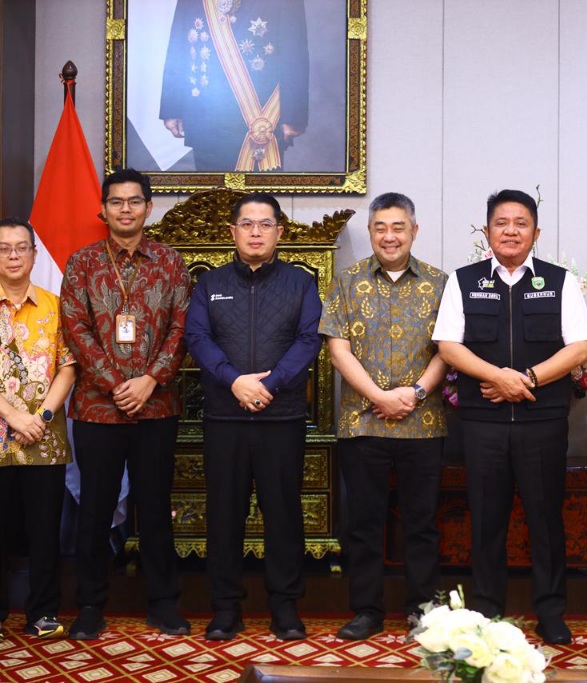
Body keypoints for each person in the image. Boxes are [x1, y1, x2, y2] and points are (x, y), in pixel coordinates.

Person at [432, 189, 587, 645]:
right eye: (501, 222)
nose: (510, 230)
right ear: (487, 232)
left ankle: (551, 611)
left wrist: (527, 378)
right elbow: (448, 345)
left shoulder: (558, 282)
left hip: (542, 423)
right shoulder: (462, 281)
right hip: (481, 424)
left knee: (546, 520)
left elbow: (580, 346)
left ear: (536, 233)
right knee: (485, 520)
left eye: (520, 223)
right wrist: (496, 378)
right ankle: (486, 611)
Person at [60, 168, 192, 640]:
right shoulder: (82, 263)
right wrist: (119, 383)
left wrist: (149, 381)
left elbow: (182, 329)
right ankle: (91, 605)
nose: (125, 210)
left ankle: (163, 603)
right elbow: (75, 329)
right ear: (104, 209)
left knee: (156, 506)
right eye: (116, 202)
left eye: (134, 201)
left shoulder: (172, 263)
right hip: (97, 408)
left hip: (157, 407)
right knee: (93, 509)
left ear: (148, 207)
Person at [185, 192, 322, 641]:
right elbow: (198, 338)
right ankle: (225, 609)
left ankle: (284, 607)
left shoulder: (301, 283)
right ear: (233, 232)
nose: (257, 232)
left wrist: (269, 384)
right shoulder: (210, 284)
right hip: (225, 418)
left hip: (280, 417)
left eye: (266, 224)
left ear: (280, 231)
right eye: (247, 224)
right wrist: (234, 382)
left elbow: (308, 341)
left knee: (283, 513)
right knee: (223, 514)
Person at [319, 192, 448, 640]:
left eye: (398, 227)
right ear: (371, 232)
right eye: (380, 228)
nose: (389, 236)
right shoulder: (346, 282)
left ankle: (423, 611)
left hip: (423, 422)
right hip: (362, 421)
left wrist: (412, 394)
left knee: (422, 523)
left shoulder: (440, 282)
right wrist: (379, 395)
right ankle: (366, 610)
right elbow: (338, 350)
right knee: (364, 522)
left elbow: (447, 351)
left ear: (414, 230)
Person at [0, 218, 77, 639]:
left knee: (44, 530)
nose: (13, 255)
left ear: (34, 254)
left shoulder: (55, 305)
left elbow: (68, 368)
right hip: (0, 434)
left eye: (21, 248)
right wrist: (13, 417)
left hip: (43, 440)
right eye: (4, 248)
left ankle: (43, 613)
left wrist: (42, 418)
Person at [159, 0, 310, 172]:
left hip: (261, 118)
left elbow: (294, 52)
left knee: (259, 196)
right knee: (212, 195)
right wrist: (172, 107)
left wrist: (293, 116)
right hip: (204, 116)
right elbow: (179, 43)